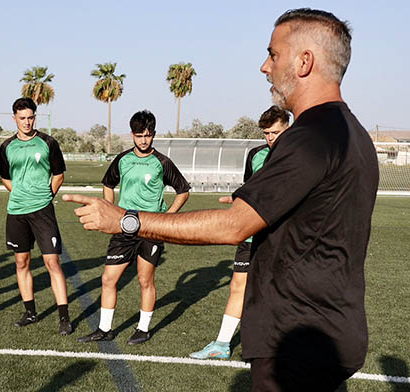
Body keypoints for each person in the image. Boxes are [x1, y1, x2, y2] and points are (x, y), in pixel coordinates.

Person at [64, 8, 378, 391]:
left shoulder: (310, 136)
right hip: (330, 332)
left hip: (298, 340)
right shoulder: (354, 134)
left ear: (304, 61)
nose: (265, 67)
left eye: (273, 54)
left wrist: (126, 220)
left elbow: (234, 225)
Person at [78, 110, 190, 345]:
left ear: (154, 134)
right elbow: (108, 183)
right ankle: (105, 328)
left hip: (152, 228)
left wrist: (166, 219)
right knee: (109, 279)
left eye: (148, 135)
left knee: (144, 280)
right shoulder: (123, 159)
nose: (143, 140)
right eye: (139, 135)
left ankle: (143, 328)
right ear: (132, 135)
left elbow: (183, 191)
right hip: (124, 228)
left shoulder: (162, 162)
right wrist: (110, 210)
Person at [190, 106, 290, 359]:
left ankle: (282, 344)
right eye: (267, 133)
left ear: (287, 127)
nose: (271, 138)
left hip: (281, 236)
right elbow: (250, 187)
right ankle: (222, 344)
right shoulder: (255, 155)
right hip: (250, 232)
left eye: (276, 132)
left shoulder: (296, 157)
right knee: (238, 285)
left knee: (280, 289)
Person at [0, 97, 72, 335]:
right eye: (22, 118)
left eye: (30, 118)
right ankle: (30, 312)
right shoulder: (7, 146)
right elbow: (5, 177)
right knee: (22, 262)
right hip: (17, 211)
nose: (27, 122)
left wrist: (43, 196)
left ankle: (64, 316)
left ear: (35, 117)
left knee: (52, 262)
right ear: (14, 119)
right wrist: (20, 193)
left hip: (43, 211)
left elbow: (58, 175)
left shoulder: (48, 142)